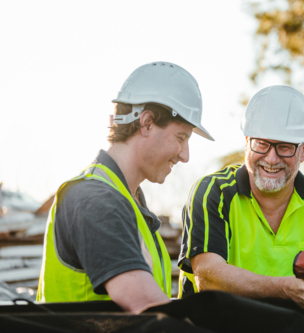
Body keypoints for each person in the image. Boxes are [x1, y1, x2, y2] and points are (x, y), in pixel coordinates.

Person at [37, 62, 213, 313]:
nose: (185, 155)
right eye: (181, 138)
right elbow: (147, 306)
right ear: (147, 122)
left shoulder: (127, 202)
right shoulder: (96, 201)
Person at [178, 85, 304, 312]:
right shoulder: (213, 191)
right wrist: (285, 288)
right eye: (261, 143)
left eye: (284, 147)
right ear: (247, 141)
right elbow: (208, 279)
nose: (271, 158)